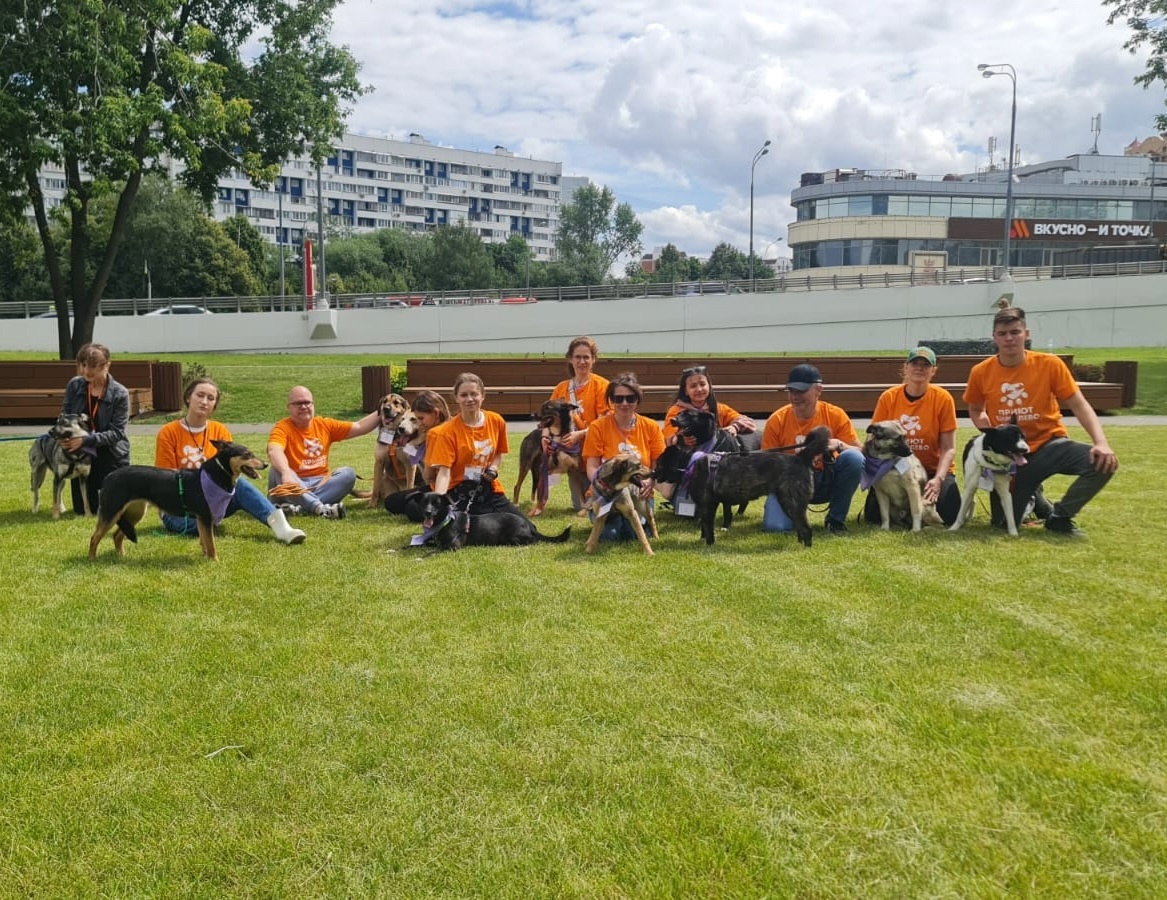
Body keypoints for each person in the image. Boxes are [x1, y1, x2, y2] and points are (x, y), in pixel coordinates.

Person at [964, 307, 1119, 536]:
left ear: (1026, 334)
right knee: (1002, 524)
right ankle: (1036, 498)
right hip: (1011, 455)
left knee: (1103, 463)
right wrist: (993, 435)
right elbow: (976, 410)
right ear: (994, 338)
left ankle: (1060, 516)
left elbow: (1079, 404)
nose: (1009, 338)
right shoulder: (980, 372)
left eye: (1015, 332)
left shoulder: (1050, 364)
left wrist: (1101, 442)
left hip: (1050, 444)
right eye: (1003, 333)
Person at [155, 378, 306, 544]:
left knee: (239, 484)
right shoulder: (168, 432)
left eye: (211, 398)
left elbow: (230, 472)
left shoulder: (220, 430)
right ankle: (207, 522)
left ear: (214, 405)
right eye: (200, 395)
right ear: (188, 397)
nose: (204, 401)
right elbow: (166, 480)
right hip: (181, 508)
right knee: (202, 526)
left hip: (215, 502)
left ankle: (283, 528)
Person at [761, 363, 863, 534]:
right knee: (776, 528)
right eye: (792, 391)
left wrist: (839, 444)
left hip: (826, 479)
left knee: (854, 458)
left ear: (819, 390)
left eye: (801, 391)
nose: (795, 396)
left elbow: (861, 453)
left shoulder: (835, 415)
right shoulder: (777, 420)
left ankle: (835, 520)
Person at [863, 347, 960, 526]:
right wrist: (875, 473)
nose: (919, 368)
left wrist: (938, 479)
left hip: (932, 470)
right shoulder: (889, 397)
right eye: (915, 363)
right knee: (873, 516)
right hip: (893, 468)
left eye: (926, 365)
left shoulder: (943, 398)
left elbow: (949, 448)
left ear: (933, 371)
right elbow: (873, 438)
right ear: (906, 367)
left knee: (949, 515)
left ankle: (918, 511)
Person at [267, 386, 380, 518]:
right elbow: (274, 450)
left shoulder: (324, 425)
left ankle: (299, 508)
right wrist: (286, 473)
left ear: (313, 405)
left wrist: (384, 409)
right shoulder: (282, 427)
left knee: (348, 474)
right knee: (277, 470)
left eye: (307, 402)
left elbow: (360, 426)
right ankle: (320, 508)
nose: (303, 406)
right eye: (298, 403)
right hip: (293, 483)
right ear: (289, 407)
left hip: (319, 484)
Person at [424, 373, 526, 515]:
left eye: (474, 394)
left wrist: (493, 468)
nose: (469, 399)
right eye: (464, 395)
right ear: (456, 398)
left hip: (486, 485)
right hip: (457, 488)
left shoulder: (496, 421)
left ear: (483, 395)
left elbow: (498, 453)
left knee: (522, 525)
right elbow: (444, 472)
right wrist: (438, 500)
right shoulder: (446, 432)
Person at [582, 372, 665, 541]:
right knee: (610, 536)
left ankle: (635, 522)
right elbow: (591, 466)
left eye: (630, 398)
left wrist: (651, 481)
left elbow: (658, 465)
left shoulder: (651, 427)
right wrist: (603, 485)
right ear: (611, 401)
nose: (624, 403)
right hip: (605, 494)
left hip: (638, 495)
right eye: (618, 399)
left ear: (638, 399)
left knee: (631, 534)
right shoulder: (598, 427)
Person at [59, 342, 130, 514]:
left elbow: (117, 433)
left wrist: (86, 439)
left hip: (110, 452)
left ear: (107, 365)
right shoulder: (75, 385)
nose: (87, 371)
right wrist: (64, 435)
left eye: (93, 366)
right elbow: (64, 415)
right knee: (82, 511)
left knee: (110, 509)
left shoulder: (120, 394)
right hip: (81, 451)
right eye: (83, 365)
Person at [548, 336, 611, 510]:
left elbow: (605, 421)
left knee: (594, 503)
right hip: (571, 455)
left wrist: (581, 434)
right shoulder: (561, 388)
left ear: (593, 360)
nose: (582, 362)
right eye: (578, 357)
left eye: (586, 357)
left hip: (595, 453)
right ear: (570, 359)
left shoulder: (602, 386)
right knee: (580, 506)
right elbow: (550, 418)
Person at [384, 389, 452, 520]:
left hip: (448, 490)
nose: (420, 423)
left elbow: (431, 475)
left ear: (436, 414)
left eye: (419, 419)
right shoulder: (428, 437)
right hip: (434, 487)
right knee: (391, 501)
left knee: (411, 507)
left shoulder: (438, 435)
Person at [662, 364, 757, 445]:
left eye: (702, 384)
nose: (699, 389)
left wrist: (734, 427)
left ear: (709, 386)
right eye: (693, 386)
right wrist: (681, 440)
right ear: (685, 391)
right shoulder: (676, 411)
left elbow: (749, 422)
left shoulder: (719, 409)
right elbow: (668, 438)